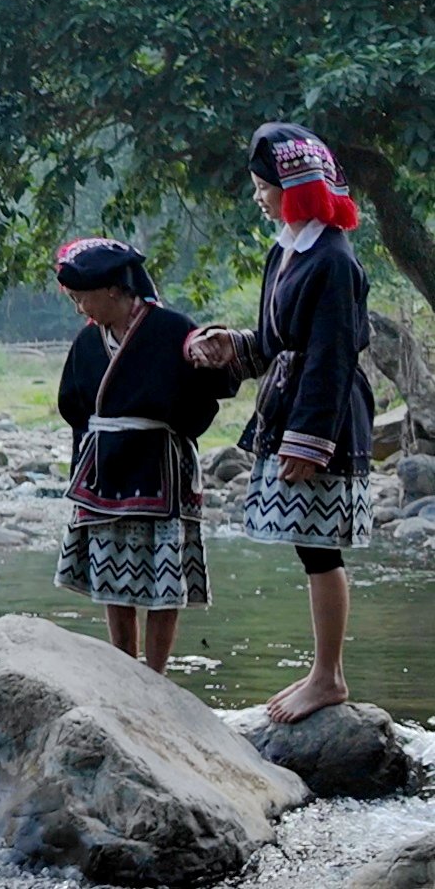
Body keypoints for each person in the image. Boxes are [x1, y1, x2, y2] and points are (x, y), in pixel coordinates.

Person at [187, 122, 373, 723]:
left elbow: (332, 354)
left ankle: (328, 677)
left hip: (325, 413)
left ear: (293, 187)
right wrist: (230, 347)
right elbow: (273, 341)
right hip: (291, 401)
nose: (258, 197)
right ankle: (326, 671)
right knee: (309, 545)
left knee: (320, 547)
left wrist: (312, 442)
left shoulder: (335, 260)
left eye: (263, 186)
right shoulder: (289, 249)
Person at [51, 238, 237, 673]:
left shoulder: (173, 331)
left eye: (84, 297)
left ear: (115, 289)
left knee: (161, 577)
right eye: (74, 298)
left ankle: (155, 674)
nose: (80, 307)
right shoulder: (87, 343)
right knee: (112, 575)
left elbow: (213, 389)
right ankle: (123, 668)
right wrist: (83, 467)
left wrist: (208, 353)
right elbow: (75, 409)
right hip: (104, 470)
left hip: (161, 469)